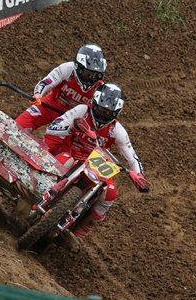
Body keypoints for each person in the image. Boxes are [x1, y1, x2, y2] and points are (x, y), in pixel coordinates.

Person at [44, 83, 149, 245]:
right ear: (93, 103)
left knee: (111, 192)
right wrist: (73, 128)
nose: (103, 115)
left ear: (116, 113)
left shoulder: (117, 130)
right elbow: (54, 127)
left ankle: (82, 229)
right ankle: (40, 191)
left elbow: (132, 158)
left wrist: (138, 175)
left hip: (96, 162)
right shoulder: (82, 111)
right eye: (100, 110)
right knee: (64, 161)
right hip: (71, 153)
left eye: (108, 113)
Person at [16, 44, 107, 132]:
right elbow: (47, 81)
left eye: (95, 75)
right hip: (50, 105)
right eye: (87, 73)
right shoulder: (68, 68)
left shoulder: (100, 90)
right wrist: (38, 94)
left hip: (72, 118)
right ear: (78, 67)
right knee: (18, 125)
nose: (91, 78)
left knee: (62, 141)